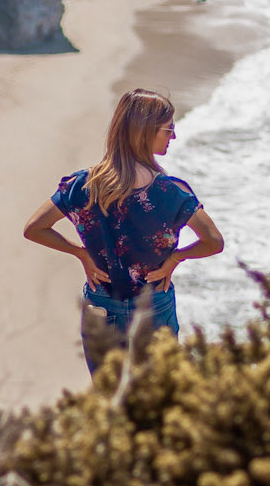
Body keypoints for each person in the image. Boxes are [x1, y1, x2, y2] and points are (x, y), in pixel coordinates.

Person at [23, 88, 225, 375]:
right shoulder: (170, 191)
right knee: (158, 402)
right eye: (169, 129)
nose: (174, 136)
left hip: (101, 305)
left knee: (110, 402)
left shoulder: (81, 185)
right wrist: (175, 259)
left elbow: (35, 228)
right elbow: (213, 242)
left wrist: (80, 254)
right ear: (145, 132)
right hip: (153, 304)